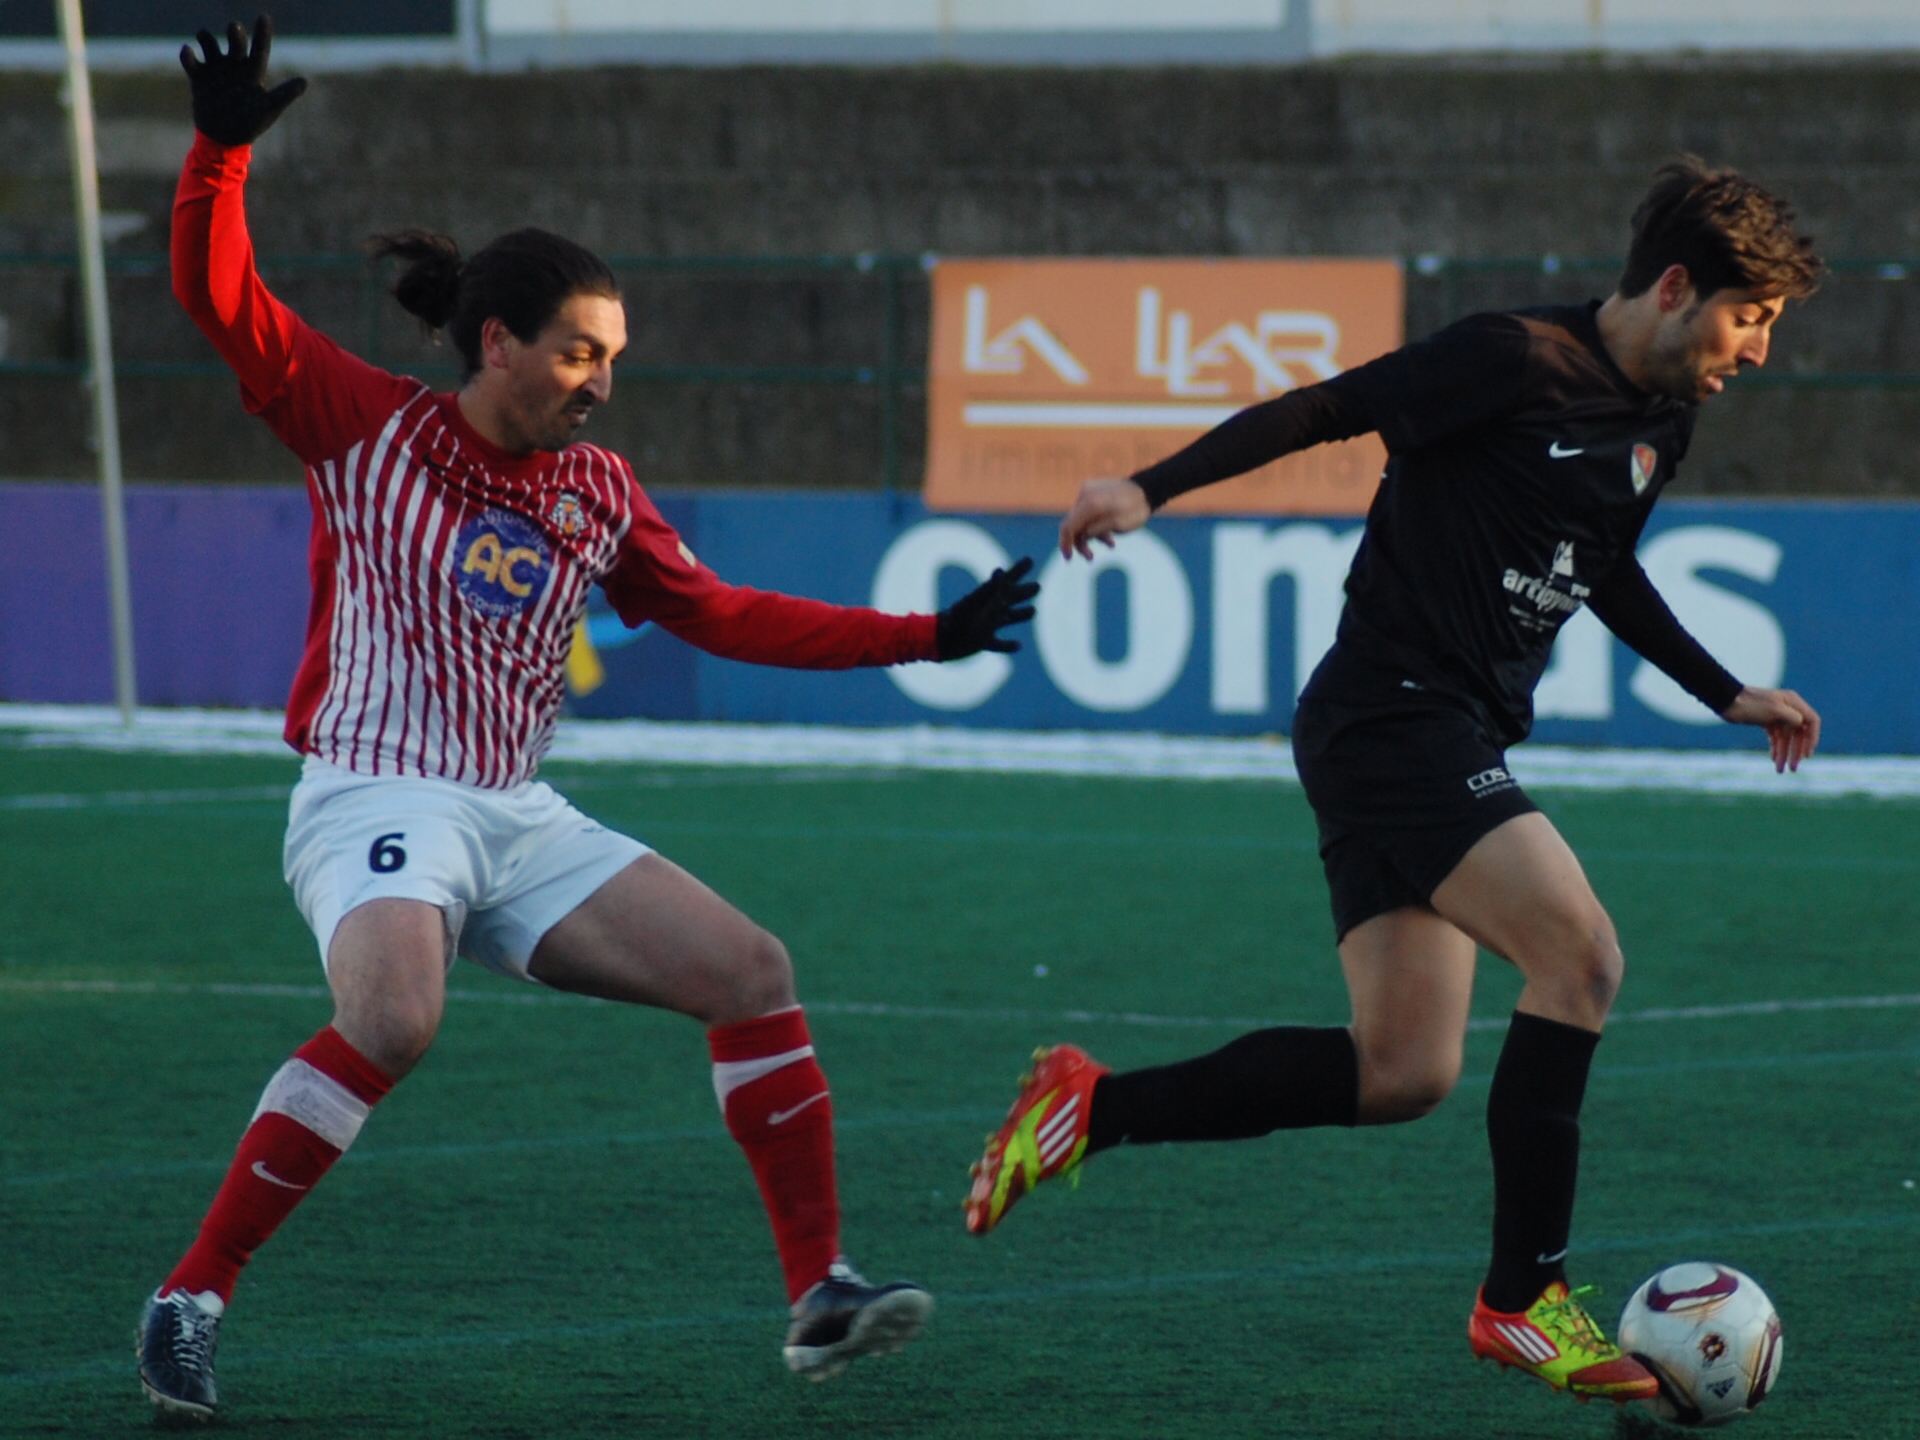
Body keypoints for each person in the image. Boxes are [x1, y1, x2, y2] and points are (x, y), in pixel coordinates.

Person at [137, 20, 1040, 1422]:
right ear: (495, 343)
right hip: (377, 792)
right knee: (392, 1014)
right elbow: (218, 295)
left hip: (515, 812)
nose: (602, 380)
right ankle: (190, 1298)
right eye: (578, 353)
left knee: (751, 969)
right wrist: (219, 152)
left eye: (610, 357)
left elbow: (718, 613)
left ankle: (821, 1296)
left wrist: (922, 635)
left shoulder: (597, 490)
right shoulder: (362, 425)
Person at [963, 156, 1823, 1403]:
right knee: (1581, 959)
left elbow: (1601, 564)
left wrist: (1721, 688)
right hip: (1392, 719)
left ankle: (1087, 1107)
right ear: (1680, 287)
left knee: (1402, 1071)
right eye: (1750, 319)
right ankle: (1522, 1300)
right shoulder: (1514, 358)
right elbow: (1325, 407)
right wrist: (1148, 487)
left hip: (1442, 732)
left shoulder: (1664, 421)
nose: (1757, 351)